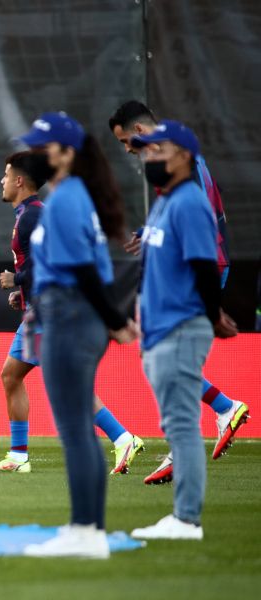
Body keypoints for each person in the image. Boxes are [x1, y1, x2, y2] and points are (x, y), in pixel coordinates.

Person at [15, 112, 138, 559]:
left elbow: (83, 270)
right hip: (72, 315)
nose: (35, 156)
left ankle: (86, 532)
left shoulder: (67, 198)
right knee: (77, 430)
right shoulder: (72, 194)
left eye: (42, 148)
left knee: (74, 431)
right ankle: (86, 529)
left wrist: (115, 317)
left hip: (70, 316)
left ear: (65, 153)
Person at [108, 101, 250, 483]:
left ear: (141, 132)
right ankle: (222, 409)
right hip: (176, 275)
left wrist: (210, 311)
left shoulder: (187, 172)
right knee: (158, 357)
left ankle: (187, 444)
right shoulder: (169, 179)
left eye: (126, 141)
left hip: (193, 272)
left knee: (169, 358)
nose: (127, 150)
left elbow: (196, 220)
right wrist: (147, 234)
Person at [0, 151, 144, 475]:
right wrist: (23, 292)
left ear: (19, 180)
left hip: (48, 311)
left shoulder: (33, 216)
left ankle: (123, 437)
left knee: (68, 384)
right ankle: (17, 457)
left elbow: (51, 261)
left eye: (5, 174)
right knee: (11, 375)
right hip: (36, 307)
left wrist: (16, 280)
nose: (1, 180)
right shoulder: (27, 215)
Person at [128, 121, 239, 539]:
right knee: (175, 424)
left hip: (180, 325)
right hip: (160, 329)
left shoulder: (189, 202)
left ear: (185, 157)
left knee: (180, 426)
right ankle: (182, 516)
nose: (149, 157)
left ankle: (186, 518)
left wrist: (210, 315)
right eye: (146, 151)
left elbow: (204, 265)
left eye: (159, 150)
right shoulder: (165, 201)